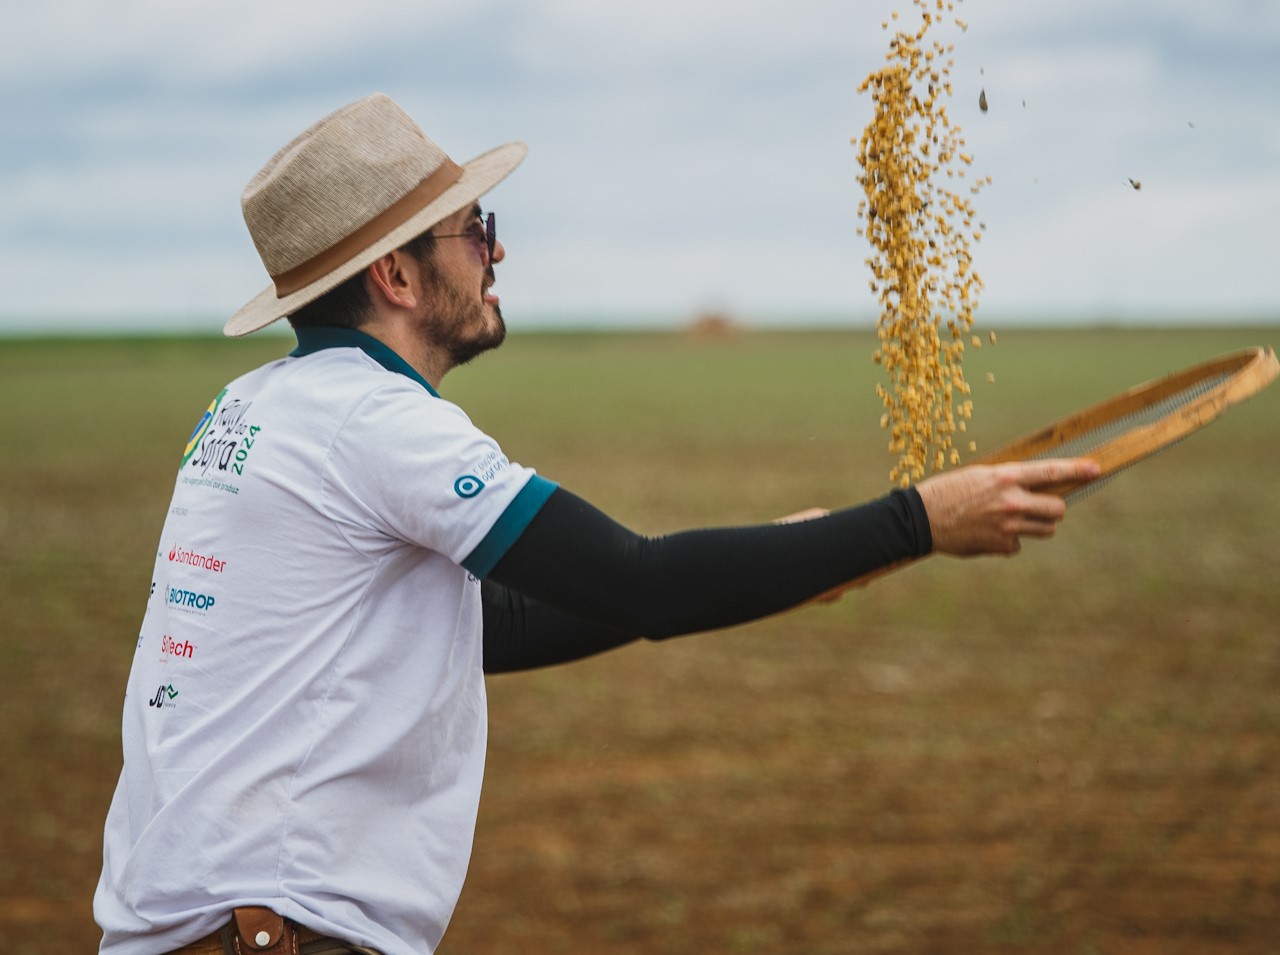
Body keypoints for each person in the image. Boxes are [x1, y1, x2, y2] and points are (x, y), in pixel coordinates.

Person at [94, 93, 1099, 955]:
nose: (495, 250)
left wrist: (797, 557)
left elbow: (494, 625)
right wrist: (914, 521)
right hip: (269, 933)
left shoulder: (259, 406)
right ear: (396, 277)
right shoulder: (378, 424)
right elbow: (643, 584)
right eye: (471, 228)